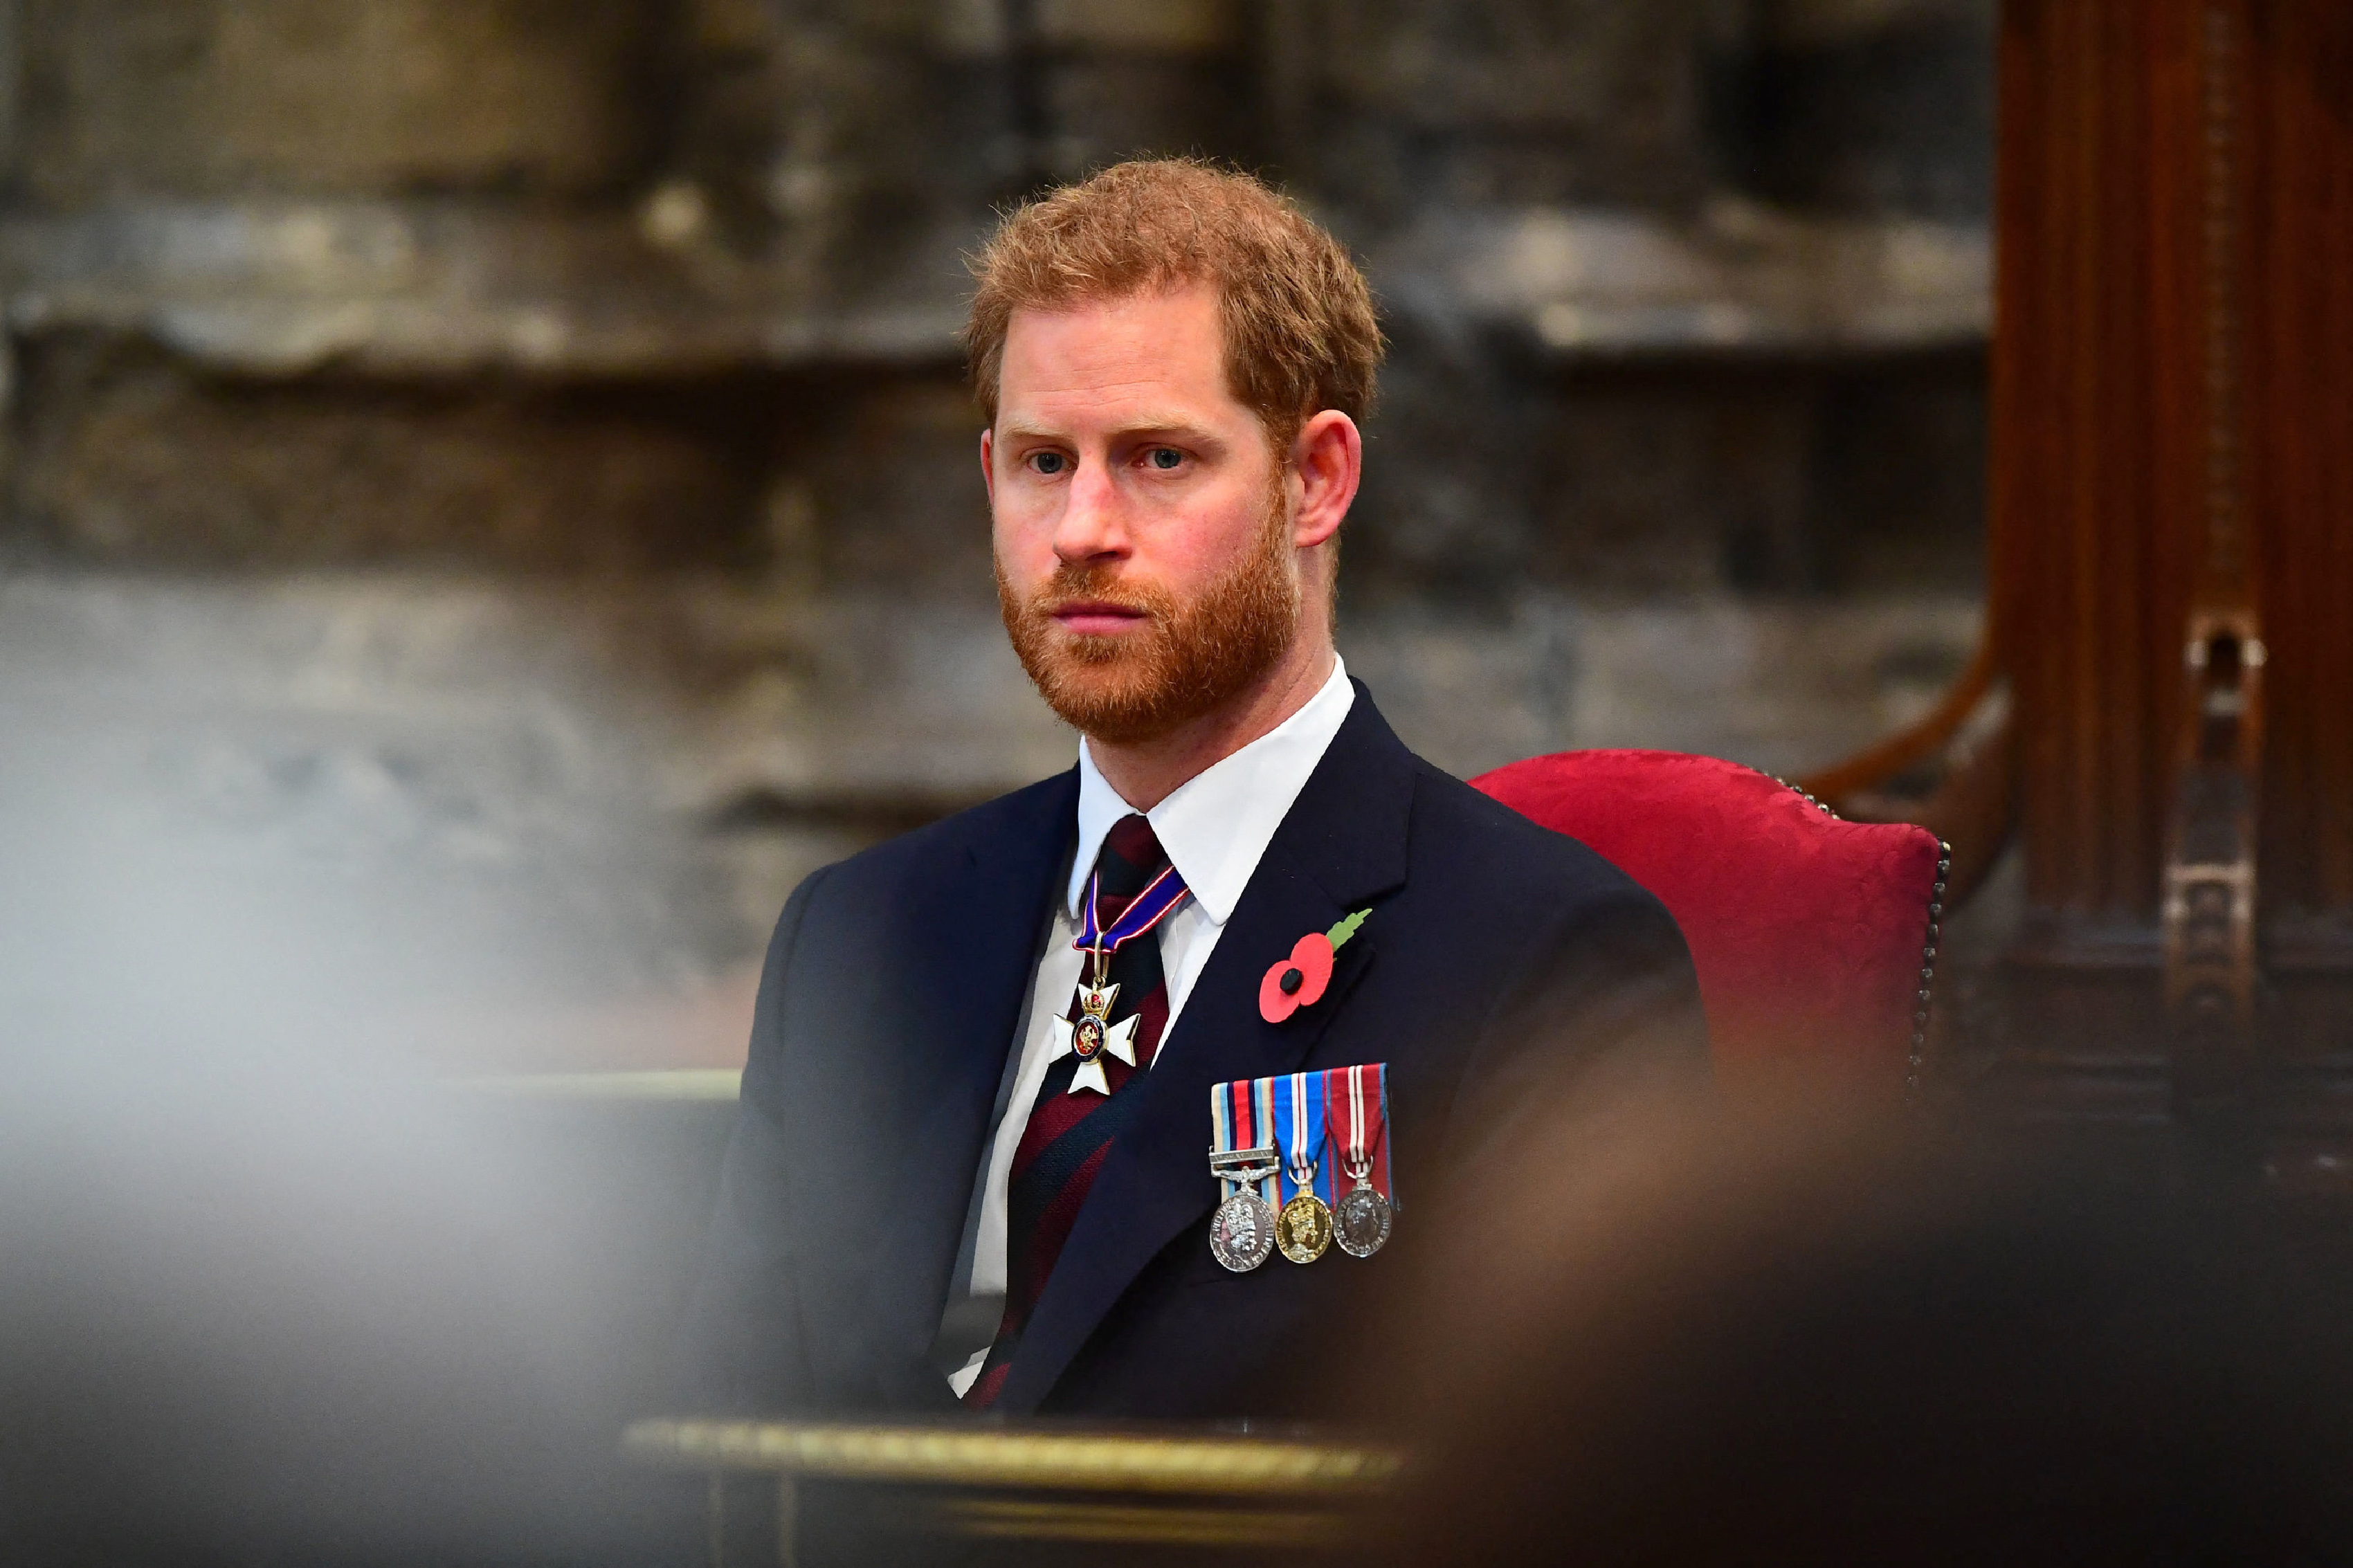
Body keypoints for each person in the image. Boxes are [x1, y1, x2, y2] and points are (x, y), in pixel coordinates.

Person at [678, 158, 1706, 1419]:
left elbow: (1566, 1490)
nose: (1083, 529)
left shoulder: (1540, 958)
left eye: (1160, 458)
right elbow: (726, 1448)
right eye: (1044, 464)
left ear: (1315, 479)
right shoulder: (857, 933)